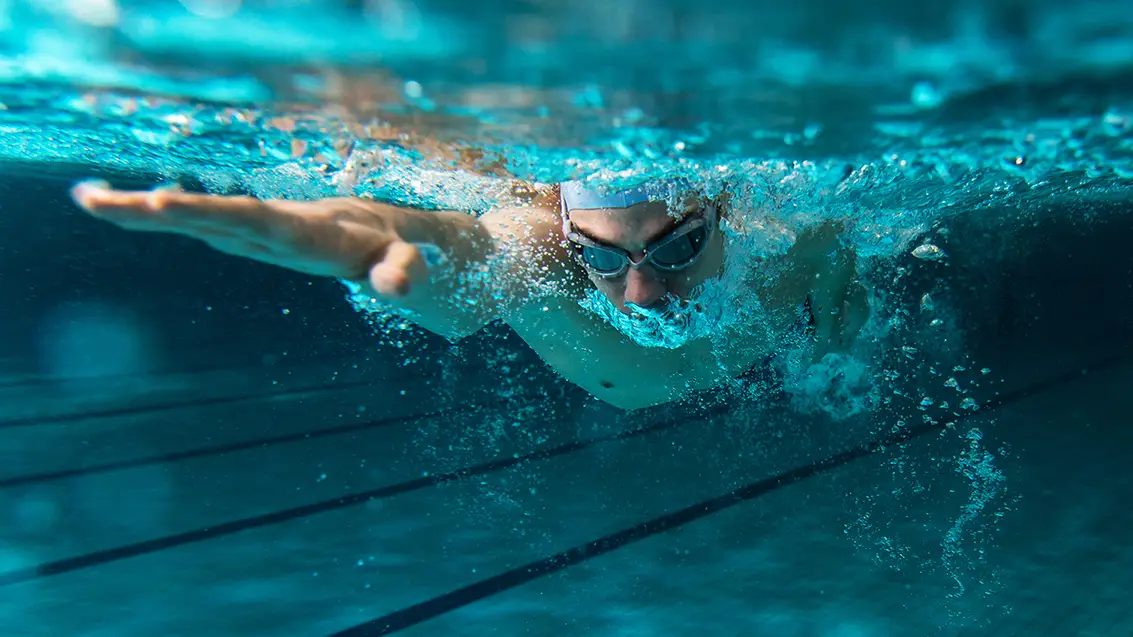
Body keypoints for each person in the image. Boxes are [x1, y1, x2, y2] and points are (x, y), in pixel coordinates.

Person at [70, 168, 869, 410]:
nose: (638, 293)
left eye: (679, 247)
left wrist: (829, 366)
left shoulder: (801, 244)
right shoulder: (533, 246)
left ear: (722, 214)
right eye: (596, 256)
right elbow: (477, 257)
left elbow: (840, 316)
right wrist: (370, 246)